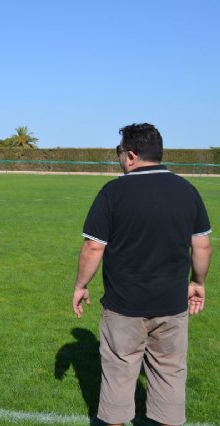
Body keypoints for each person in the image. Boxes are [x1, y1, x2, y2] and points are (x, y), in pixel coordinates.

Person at [72, 123, 212, 426]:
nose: (119, 159)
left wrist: (81, 285)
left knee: (118, 380)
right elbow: (201, 245)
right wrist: (198, 283)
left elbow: (93, 248)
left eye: (120, 153)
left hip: (123, 307)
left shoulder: (113, 191)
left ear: (132, 155)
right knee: (170, 378)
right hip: (172, 306)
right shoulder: (187, 190)